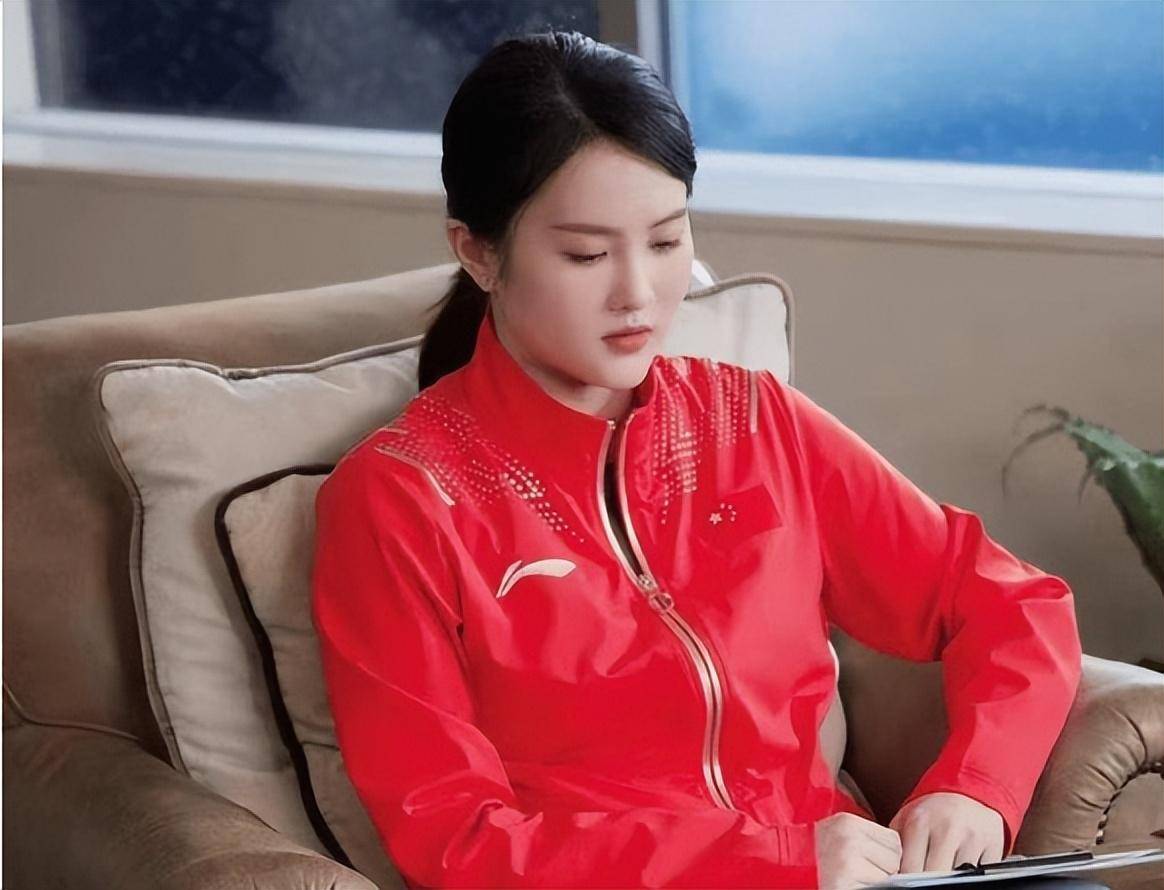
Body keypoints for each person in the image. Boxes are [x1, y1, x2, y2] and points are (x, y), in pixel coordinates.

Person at [311, 29, 1082, 890]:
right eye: (587, 255)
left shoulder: (754, 423)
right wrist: (774, 863)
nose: (638, 294)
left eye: (667, 240)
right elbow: (457, 840)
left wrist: (975, 787)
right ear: (478, 251)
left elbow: (1010, 601)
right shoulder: (401, 499)